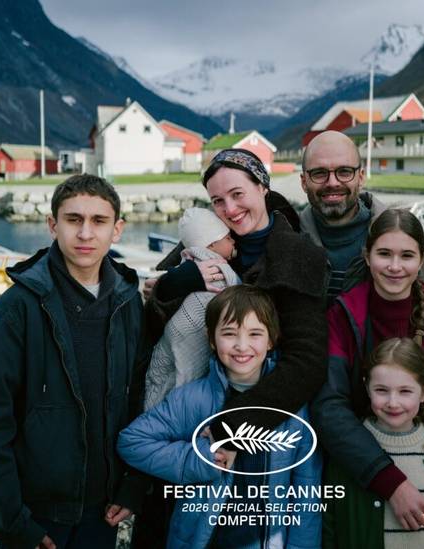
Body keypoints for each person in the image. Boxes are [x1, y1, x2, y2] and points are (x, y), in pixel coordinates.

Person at [0, 175, 147, 549]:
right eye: (73, 219)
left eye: (99, 221)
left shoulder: (129, 303)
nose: (85, 233)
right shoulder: (15, 311)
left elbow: (139, 402)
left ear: (117, 230)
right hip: (38, 517)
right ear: (52, 225)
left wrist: (132, 485)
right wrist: (13, 523)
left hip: (103, 511)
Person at [299, 130, 424, 430]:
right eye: (319, 173)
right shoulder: (289, 244)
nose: (333, 182)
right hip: (315, 415)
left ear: (361, 176)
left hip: (399, 417)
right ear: (304, 180)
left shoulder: (407, 244)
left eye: (344, 171)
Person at [313, 208, 424, 547]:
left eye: (406, 255)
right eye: (384, 254)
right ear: (367, 255)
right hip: (360, 475)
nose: (395, 266)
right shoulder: (342, 318)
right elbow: (329, 407)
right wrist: (390, 481)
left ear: (422, 259)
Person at [147, 148, 328, 450]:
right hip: (182, 407)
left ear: (262, 187)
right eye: (218, 201)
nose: (229, 209)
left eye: (237, 194)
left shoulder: (297, 256)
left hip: (259, 422)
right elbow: (155, 333)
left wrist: (232, 428)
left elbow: (307, 362)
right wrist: (174, 283)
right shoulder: (201, 243)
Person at [119, 285, 322, 548]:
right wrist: (198, 458)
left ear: (272, 339)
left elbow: (306, 493)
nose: (241, 345)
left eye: (255, 334)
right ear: (211, 339)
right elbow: (132, 441)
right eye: (229, 333)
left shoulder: (293, 408)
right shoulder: (193, 399)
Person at [324, 337, 424, 549]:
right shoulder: (348, 452)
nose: (393, 402)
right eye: (381, 390)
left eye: (405, 391)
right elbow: (329, 526)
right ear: (366, 387)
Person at [144, 207, 241, 411]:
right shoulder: (217, 269)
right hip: (183, 336)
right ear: (212, 244)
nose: (233, 241)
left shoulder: (183, 266)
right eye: (228, 237)